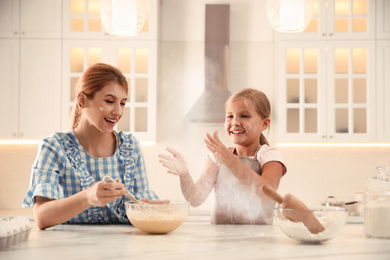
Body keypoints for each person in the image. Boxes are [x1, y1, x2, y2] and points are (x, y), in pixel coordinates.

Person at [22, 63, 160, 230]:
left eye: (123, 103)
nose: (118, 112)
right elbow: (42, 217)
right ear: (82, 100)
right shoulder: (54, 147)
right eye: (110, 101)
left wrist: (151, 208)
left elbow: (142, 202)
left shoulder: (130, 147)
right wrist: (87, 197)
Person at [159, 88, 287, 224]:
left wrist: (229, 159)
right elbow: (195, 199)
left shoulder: (269, 155)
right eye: (230, 116)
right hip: (221, 240)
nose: (235, 122)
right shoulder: (217, 157)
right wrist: (184, 174)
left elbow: (266, 194)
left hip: (258, 241)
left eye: (244, 116)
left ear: (264, 124)